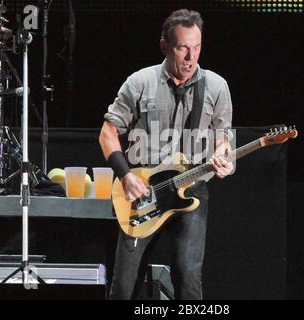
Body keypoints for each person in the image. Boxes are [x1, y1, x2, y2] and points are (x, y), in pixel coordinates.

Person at [99, 9, 234, 300]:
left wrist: (222, 155)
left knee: (188, 279)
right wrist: (126, 176)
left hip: (191, 190)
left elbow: (222, 138)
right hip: (143, 192)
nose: (190, 57)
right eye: (182, 48)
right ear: (164, 46)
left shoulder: (216, 87)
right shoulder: (139, 82)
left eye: (196, 47)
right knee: (124, 285)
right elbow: (107, 133)